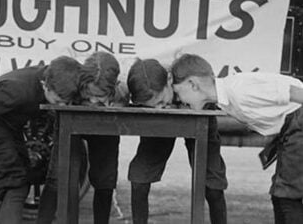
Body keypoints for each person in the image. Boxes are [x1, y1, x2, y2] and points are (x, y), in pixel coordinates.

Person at [171, 53, 303, 224]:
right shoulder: (226, 98)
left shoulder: (239, 90)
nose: (179, 99)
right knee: (281, 196)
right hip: (290, 129)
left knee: (287, 196)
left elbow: (294, 92)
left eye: (178, 92)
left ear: (192, 84)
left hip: (298, 123)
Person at [0, 56, 86, 224]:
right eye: (58, 101)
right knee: (14, 187)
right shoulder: (16, 90)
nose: (62, 106)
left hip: (10, 129)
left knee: (20, 183)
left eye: (67, 102)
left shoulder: (54, 75)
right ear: (45, 85)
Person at [127, 58, 228, 224]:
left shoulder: (188, 82)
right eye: (153, 106)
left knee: (212, 185)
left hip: (200, 118)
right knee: (140, 178)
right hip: (160, 125)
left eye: (161, 101)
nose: (159, 107)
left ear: (169, 81)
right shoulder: (146, 91)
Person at [37, 51, 129, 224]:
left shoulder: (122, 93)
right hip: (70, 125)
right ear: (81, 84)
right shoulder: (73, 86)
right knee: (59, 176)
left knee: (105, 180)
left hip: (105, 128)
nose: (93, 101)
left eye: (100, 96)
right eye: (88, 94)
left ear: (113, 87)